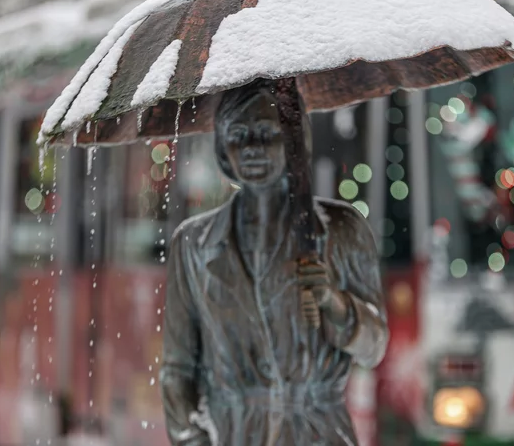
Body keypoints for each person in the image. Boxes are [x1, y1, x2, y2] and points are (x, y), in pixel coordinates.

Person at [160, 80, 389, 445]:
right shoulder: (192, 244)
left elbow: (374, 348)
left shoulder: (341, 230)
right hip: (233, 432)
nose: (253, 148)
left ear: (295, 141)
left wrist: (332, 301)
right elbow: (177, 369)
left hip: (318, 432)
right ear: (222, 149)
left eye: (268, 133)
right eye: (239, 135)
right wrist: (192, 439)